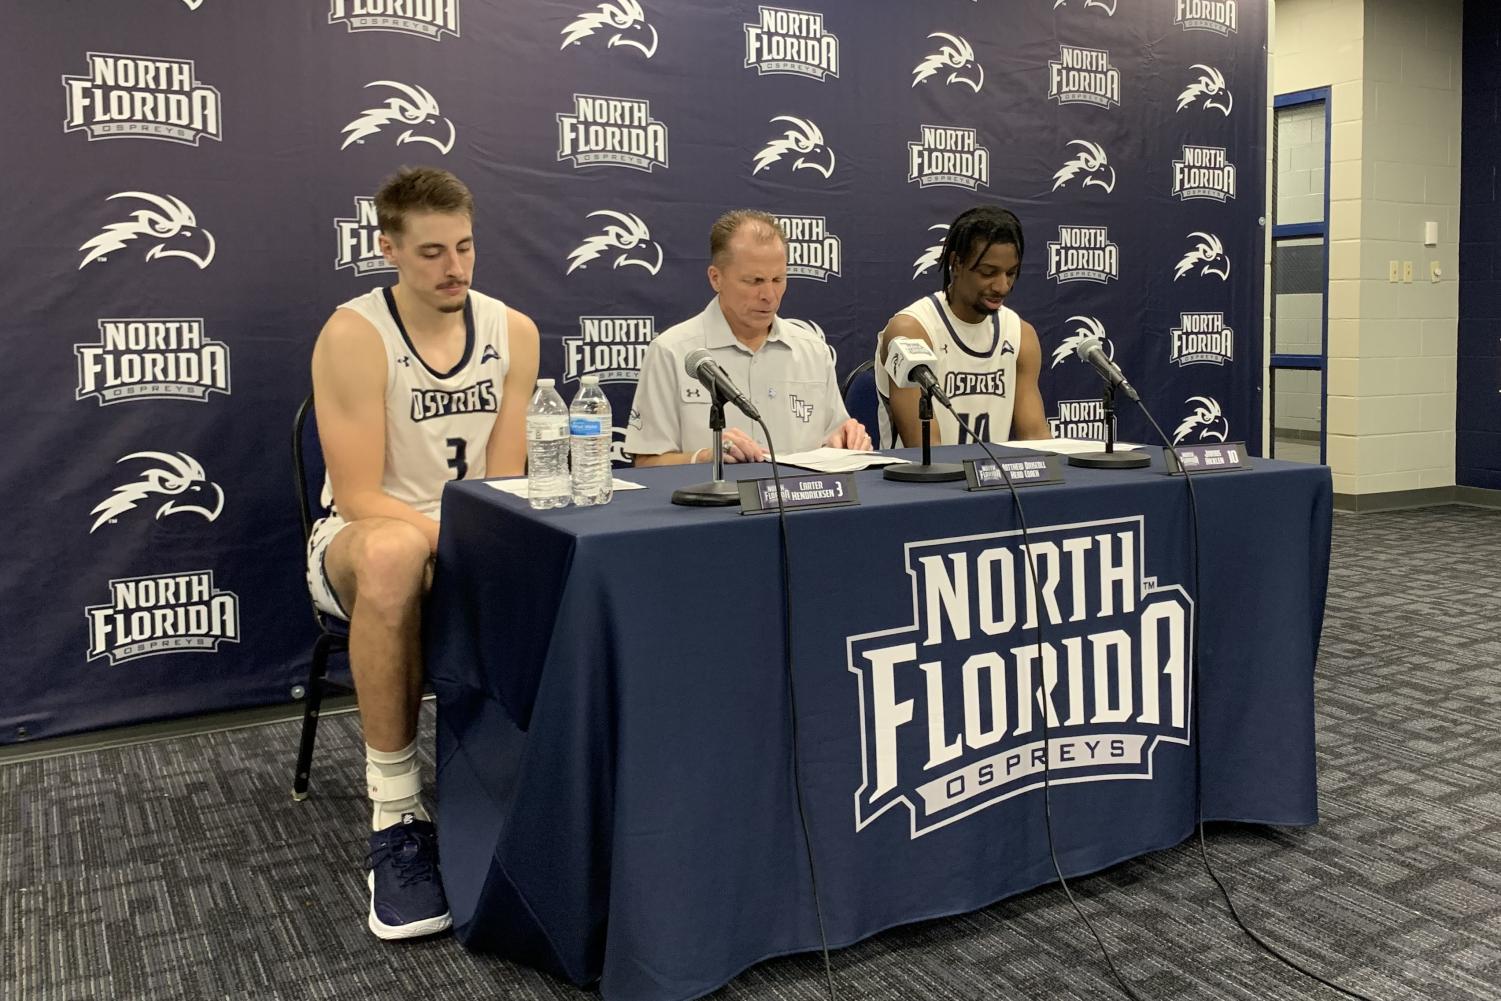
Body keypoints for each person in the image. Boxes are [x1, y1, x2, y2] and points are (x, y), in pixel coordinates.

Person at [306, 166, 539, 940]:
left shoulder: (513, 330)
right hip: (359, 541)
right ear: (390, 249)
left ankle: (536, 789)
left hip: (471, 535)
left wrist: (492, 539)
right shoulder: (354, 334)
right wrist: (469, 536)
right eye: (433, 252)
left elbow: (506, 480)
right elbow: (361, 492)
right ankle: (397, 811)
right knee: (396, 552)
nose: (455, 269)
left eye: (465, 248)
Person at [626, 209, 870, 465]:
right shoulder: (672, 351)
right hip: (715, 503)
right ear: (716, 278)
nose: (769, 295)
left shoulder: (813, 351)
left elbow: (833, 439)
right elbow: (646, 463)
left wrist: (844, 441)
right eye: (754, 281)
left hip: (799, 501)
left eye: (778, 279)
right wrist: (706, 457)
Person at [875, 205, 1051, 447]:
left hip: (994, 481)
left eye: (1011, 273)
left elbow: (1036, 438)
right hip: (923, 483)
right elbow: (924, 448)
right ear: (956, 264)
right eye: (988, 273)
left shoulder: (1021, 334)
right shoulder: (912, 331)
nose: (1002, 286)